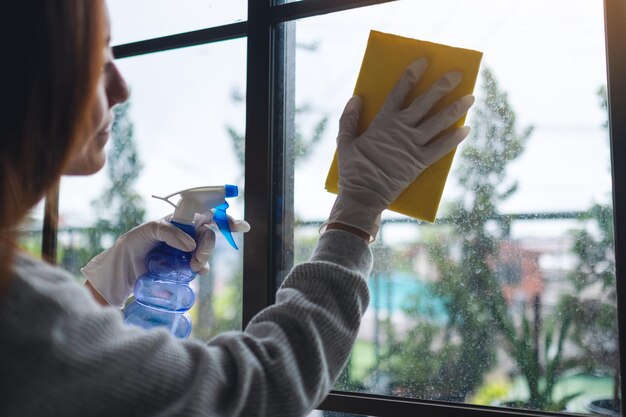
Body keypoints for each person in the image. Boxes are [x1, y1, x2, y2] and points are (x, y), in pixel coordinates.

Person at [0, 1, 474, 416]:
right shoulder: (18, 310)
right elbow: (259, 391)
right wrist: (357, 211)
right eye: (93, 56)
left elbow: (58, 376)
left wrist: (105, 284)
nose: (122, 86)